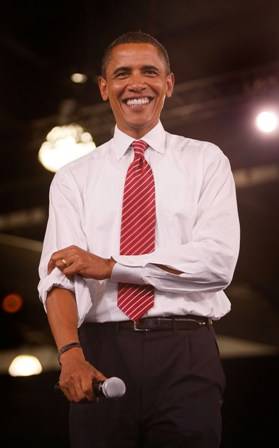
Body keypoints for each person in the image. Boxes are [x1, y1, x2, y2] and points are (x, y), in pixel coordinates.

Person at [38, 31, 240, 448]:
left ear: (168, 83)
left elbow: (216, 264)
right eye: (122, 73)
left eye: (150, 72)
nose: (136, 83)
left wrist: (112, 266)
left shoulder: (206, 161)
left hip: (187, 349)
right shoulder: (73, 178)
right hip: (99, 349)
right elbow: (58, 277)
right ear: (103, 87)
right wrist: (70, 354)